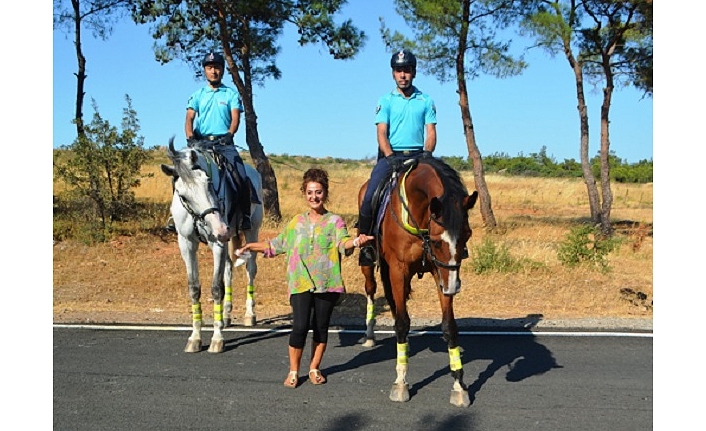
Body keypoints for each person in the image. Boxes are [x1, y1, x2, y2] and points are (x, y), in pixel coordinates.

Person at [236, 168, 374, 388]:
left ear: (325, 193)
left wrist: (357, 242)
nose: (314, 197)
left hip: (327, 283)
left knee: (321, 327)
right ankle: (293, 371)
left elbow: (343, 243)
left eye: (318, 192)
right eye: (310, 192)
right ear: (304, 193)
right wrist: (251, 246)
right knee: (300, 327)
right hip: (300, 282)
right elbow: (276, 245)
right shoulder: (296, 222)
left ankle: (314, 368)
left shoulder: (335, 221)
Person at [357, 49, 437, 266]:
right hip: (391, 156)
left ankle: (451, 243)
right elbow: (381, 132)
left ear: (414, 73)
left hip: (420, 156)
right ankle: (366, 247)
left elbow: (430, 132)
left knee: (445, 192)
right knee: (369, 196)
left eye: (407, 70)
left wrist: (428, 154)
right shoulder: (386, 101)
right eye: (399, 71)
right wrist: (390, 156)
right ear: (393, 74)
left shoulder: (426, 100)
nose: (403, 75)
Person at [168, 51, 258, 232]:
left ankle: (245, 215)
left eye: (217, 68)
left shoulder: (231, 94)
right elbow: (189, 118)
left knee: (240, 173)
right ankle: (173, 216)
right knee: (180, 170)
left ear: (222, 70)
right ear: (205, 71)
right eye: (210, 68)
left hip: (224, 144)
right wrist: (190, 137)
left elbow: (235, 118)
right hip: (200, 144)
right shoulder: (197, 95)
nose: (213, 71)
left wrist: (230, 134)